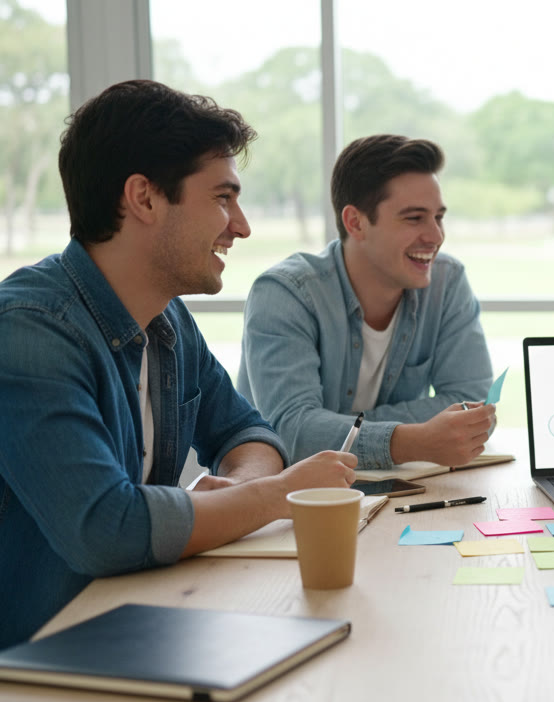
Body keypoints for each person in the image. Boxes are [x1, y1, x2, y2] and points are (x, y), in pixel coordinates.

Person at [0, 80, 357, 648]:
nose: (240, 226)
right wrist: (273, 494)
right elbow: (105, 529)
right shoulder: (28, 331)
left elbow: (248, 431)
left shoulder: (167, 321)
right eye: (222, 198)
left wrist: (239, 489)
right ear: (143, 198)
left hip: (142, 628)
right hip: (36, 674)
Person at [237, 135, 495, 470]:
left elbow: (474, 411)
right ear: (355, 222)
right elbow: (291, 432)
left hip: (399, 491)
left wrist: (333, 426)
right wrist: (412, 440)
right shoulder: (285, 294)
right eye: (415, 218)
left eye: (438, 217)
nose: (435, 236)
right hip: (297, 504)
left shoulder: (446, 282)